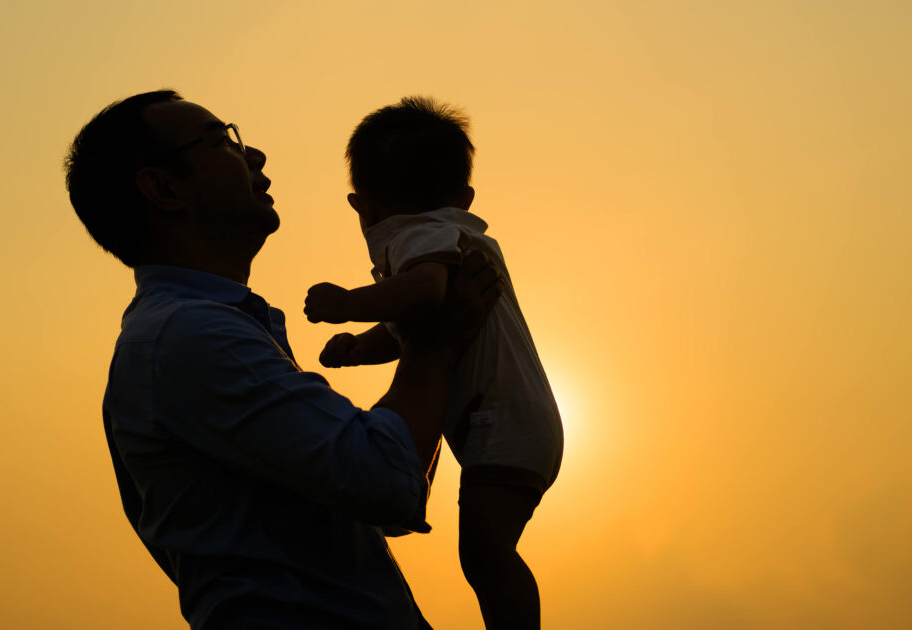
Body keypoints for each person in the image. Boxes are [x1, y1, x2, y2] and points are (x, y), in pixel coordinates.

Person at [63, 90, 502, 629]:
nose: (255, 156)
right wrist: (435, 344)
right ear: (163, 188)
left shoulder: (195, 334)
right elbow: (386, 482)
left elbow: (381, 487)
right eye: (222, 140)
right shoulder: (192, 336)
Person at [303, 96, 565, 629]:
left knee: (485, 554)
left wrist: (347, 304)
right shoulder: (450, 236)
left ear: (364, 207)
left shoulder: (415, 236)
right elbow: (417, 321)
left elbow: (422, 293)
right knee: (487, 553)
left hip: (504, 426)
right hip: (517, 424)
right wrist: (363, 346)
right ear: (465, 194)